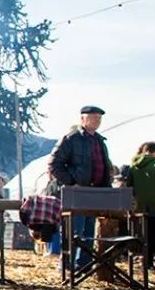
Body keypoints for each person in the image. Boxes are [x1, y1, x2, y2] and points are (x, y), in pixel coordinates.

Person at [46, 105, 113, 269]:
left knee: (89, 230)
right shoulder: (71, 138)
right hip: (77, 192)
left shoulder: (100, 141)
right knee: (74, 230)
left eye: (99, 118)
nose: (97, 120)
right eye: (93, 117)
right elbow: (54, 164)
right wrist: (71, 182)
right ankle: (66, 265)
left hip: (96, 192)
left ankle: (84, 265)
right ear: (82, 118)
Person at [127, 142, 155, 270]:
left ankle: (147, 262)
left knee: (148, 236)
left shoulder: (133, 168)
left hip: (143, 208)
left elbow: (130, 188)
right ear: (153, 152)